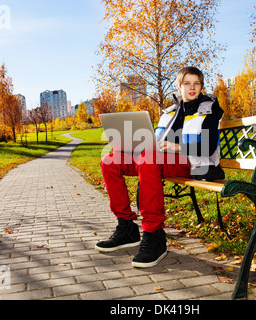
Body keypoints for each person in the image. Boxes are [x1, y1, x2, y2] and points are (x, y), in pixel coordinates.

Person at [96, 67, 224, 268]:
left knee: (149, 160)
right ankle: (127, 227)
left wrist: (177, 146)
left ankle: (154, 235)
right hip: (162, 159)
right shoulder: (169, 113)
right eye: (187, 83)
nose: (192, 88)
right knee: (110, 161)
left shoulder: (209, 110)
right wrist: (134, 148)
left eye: (196, 83)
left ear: (201, 86)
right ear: (178, 86)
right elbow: (155, 144)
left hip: (194, 163)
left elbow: (207, 147)